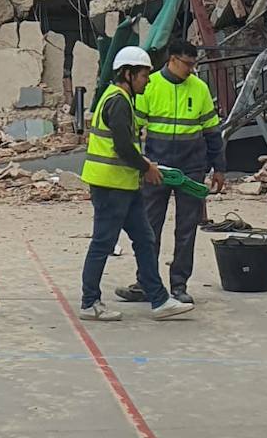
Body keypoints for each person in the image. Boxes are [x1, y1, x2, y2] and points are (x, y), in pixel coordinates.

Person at [79, 47, 192, 322]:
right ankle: (89, 302)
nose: (148, 80)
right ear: (128, 74)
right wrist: (147, 167)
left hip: (125, 186)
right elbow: (121, 148)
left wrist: (142, 167)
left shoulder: (123, 99)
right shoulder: (118, 102)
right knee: (103, 243)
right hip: (110, 186)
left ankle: (159, 300)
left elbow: (126, 146)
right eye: (144, 75)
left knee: (145, 239)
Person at [115, 39, 226, 307]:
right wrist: (140, 166)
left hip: (191, 168)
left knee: (186, 229)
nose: (191, 69)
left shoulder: (199, 89)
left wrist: (219, 167)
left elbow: (212, 131)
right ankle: (146, 283)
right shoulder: (150, 86)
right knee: (148, 228)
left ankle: (179, 285)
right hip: (156, 168)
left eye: (193, 64)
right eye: (187, 64)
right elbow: (133, 130)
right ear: (172, 60)